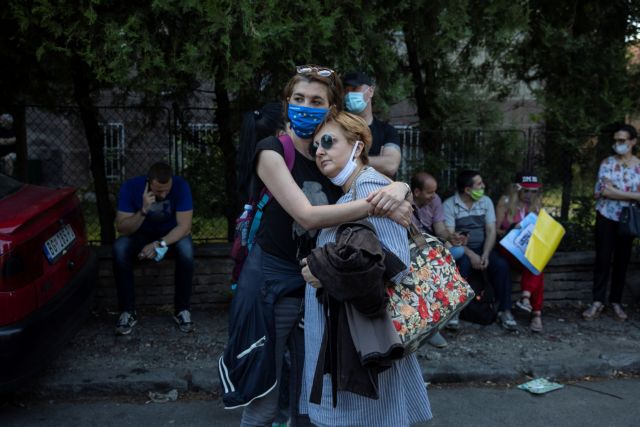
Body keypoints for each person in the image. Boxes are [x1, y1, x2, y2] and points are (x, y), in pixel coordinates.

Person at [219, 65, 412, 427]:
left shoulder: (328, 153)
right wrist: (380, 203)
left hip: (318, 286)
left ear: (331, 108)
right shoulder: (272, 151)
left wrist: (401, 189)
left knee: (311, 398)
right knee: (264, 401)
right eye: (298, 99)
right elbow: (307, 216)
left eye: (316, 101)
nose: (305, 107)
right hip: (272, 286)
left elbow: (367, 177)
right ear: (286, 103)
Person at [299, 110, 432, 427]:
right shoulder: (354, 192)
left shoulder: (370, 185)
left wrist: (323, 269)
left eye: (328, 142)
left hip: (363, 337)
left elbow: (393, 264)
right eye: (316, 146)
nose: (320, 151)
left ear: (357, 146)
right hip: (353, 334)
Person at [112, 161, 194, 335]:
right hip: (140, 235)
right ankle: (127, 311)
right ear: (148, 182)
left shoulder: (181, 186)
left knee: (187, 250)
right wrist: (143, 210)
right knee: (120, 249)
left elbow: (184, 227)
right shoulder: (131, 187)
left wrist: (159, 244)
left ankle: (182, 310)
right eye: (158, 191)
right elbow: (122, 228)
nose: (163, 194)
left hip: (170, 236)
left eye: (166, 190)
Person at [443, 170, 518, 331]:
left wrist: (485, 254)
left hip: (484, 247)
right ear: (467, 190)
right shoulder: (449, 205)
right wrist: (471, 255)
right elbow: (450, 237)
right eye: (479, 184)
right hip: (462, 249)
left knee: (501, 265)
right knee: (461, 265)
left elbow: (491, 230)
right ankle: (454, 312)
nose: (483, 186)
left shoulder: (486, 202)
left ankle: (504, 310)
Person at [583, 124, 640, 322]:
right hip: (606, 216)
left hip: (628, 219)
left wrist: (617, 192)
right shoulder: (607, 163)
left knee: (623, 260)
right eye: (616, 140)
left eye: (622, 140)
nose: (618, 144)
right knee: (603, 258)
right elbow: (603, 191)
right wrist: (632, 195)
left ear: (633, 141)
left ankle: (616, 301)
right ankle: (597, 300)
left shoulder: (638, 166)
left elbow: (614, 191)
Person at [410, 171, 466, 347]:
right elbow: (411, 237)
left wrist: (450, 237)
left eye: (434, 191)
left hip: (432, 247)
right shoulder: (404, 204)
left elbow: (439, 228)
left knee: (458, 252)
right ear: (417, 192)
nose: (433, 196)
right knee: (431, 269)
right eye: (429, 192)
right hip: (412, 250)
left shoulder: (435, 201)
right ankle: (431, 327)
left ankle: (448, 312)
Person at [496, 172, 545, 332]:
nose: (530, 195)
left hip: (527, 251)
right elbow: (496, 231)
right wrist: (512, 229)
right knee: (536, 262)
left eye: (533, 191)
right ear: (517, 189)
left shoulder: (537, 205)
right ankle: (534, 311)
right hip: (508, 248)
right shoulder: (505, 202)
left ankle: (527, 301)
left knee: (537, 263)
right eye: (526, 190)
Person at [343, 71, 402, 178]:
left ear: (370, 91)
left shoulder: (387, 131)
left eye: (355, 89)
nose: (350, 95)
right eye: (346, 91)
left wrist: (350, 160)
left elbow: (390, 166)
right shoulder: (339, 129)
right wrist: (377, 161)